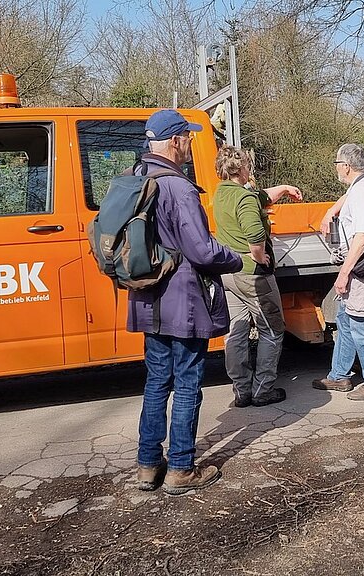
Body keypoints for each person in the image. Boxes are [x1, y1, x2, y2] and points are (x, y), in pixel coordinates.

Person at [131, 109, 244, 494]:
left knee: (156, 381)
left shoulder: (137, 177)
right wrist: (234, 256)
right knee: (188, 383)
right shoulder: (178, 187)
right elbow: (201, 250)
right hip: (182, 300)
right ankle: (181, 468)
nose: (190, 145)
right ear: (175, 141)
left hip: (148, 296)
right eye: (188, 138)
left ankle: (148, 465)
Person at [211, 146, 303, 409]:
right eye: (248, 166)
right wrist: (260, 256)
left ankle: (242, 390)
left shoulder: (223, 194)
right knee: (271, 330)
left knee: (236, 332)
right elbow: (254, 234)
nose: (250, 169)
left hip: (228, 273)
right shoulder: (244, 199)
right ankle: (263, 389)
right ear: (241, 169)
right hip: (252, 276)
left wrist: (284, 188)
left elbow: (261, 196)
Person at [312, 143, 364, 401]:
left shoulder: (361, 192)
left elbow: (362, 237)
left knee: (363, 322)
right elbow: (349, 198)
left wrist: (343, 273)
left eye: (337, 164)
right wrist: (331, 210)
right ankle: (339, 375)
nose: (336, 168)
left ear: (346, 167)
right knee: (347, 319)